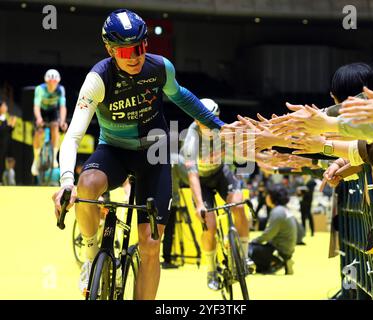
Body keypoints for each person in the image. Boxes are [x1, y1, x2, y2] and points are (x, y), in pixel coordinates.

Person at [52, 9, 227, 300]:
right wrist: (66, 181)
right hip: (114, 151)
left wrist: (219, 125)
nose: (135, 56)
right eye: (126, 51)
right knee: (86, 184)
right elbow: (72, 137)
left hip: (153, 154)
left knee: (149, 245)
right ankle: (91, 255)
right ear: (110, 49)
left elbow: (181, 95)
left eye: (141, 47)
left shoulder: (160, 68)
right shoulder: (98, 78)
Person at [179, 98, 253, 290]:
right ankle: (211, 269)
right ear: (196, 120)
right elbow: (193, 176)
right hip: (201, 181)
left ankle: (244, 257)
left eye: (214, 120)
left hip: (221, 173)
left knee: (239, 205)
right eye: (205, 121)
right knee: (209, 225)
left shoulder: (222, 129)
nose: (210, 124)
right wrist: (199, 205)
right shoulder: (191, 139)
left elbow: (239, 157)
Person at [249, 183, 297, 275]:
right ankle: (276, 263)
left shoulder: (277, 212)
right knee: (260, 268)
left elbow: (267, 235)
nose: (265, 197)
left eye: (267, 195)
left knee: (249, 249)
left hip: (278, 251)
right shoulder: (284, 210)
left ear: (272, 197)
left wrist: (253, 242)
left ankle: (278, 262)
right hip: (287, 250)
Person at [31, 69, 68, 176]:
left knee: (56, 127)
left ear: (58, 82)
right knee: (39, 132)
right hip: (41, 111)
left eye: (54, 82)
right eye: (50, 82)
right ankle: (36, 159)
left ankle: (54, 157)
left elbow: (62, 107)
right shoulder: (40, 89)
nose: (52, 85)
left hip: (52, 111)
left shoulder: (61, 89)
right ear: (46, 81)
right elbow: (36, 106)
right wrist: (38, 119)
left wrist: (62, 121)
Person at [0, 100, 16, 180]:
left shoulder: (6, 118)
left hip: (5, 144)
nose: (6, 107)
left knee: (3, 161)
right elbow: (2, 130)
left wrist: (12, 125)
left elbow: (8, 131)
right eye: (4, 105)